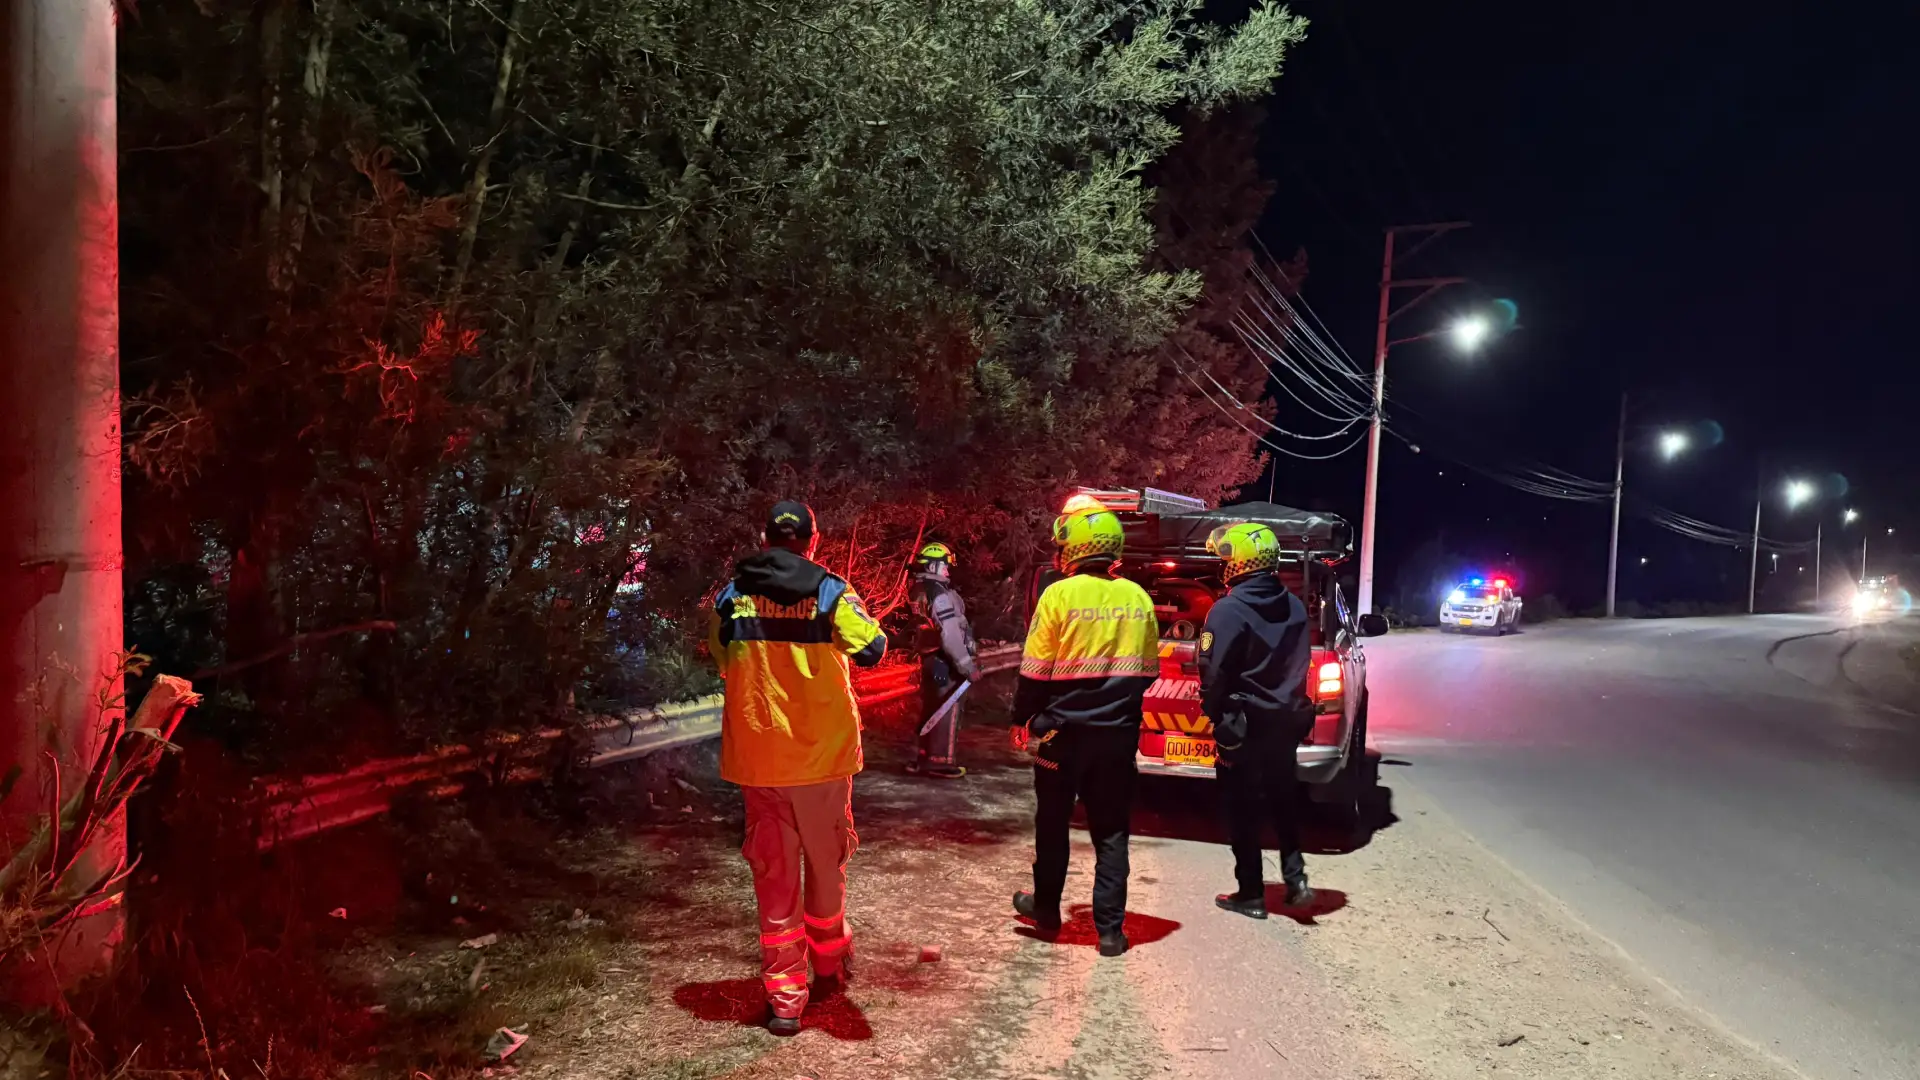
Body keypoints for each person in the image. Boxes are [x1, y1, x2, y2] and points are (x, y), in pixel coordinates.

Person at [707, 500, 887, 1035]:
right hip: (823, 760)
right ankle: (828, 966)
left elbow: (722, 659)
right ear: (812, 540)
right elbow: (874, 648)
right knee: (826, 866)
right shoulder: (831, 591)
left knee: (774, 875)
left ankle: (785, 998)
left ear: (764, 538)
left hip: (760, 762)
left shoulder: (731, 596)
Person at [1009, 496, 1159, 957]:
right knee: (1111, 831)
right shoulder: (1138, 596)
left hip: (1062, 735)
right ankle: (1110, 932)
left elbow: (1034, 671)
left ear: (1073, 549)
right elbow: (1149, 670)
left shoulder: (1059, 594)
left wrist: (1022, 720)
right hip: (1116, 737)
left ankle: (1048, 912)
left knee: (1052, 823)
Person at [1198, 521, 1318, 920]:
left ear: (1242, 563)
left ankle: (1250, 894)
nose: (1223, 564)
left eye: (1227, 557)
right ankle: (1295, 877)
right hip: (1285, 723)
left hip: (1244, 727)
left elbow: (1213, 672)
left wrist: (1216, 715)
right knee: (1284, 800)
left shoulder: (1228, 610)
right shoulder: (1295, 605)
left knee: (1242, 810)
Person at [906, 542, 981, 779]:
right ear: (934, 565)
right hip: (945, 660)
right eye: (946, 565)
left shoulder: (920, 588)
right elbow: (949, 633)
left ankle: (922, 758)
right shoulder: (938, 594)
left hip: (930, 659)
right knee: (947, 711)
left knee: (931, 709)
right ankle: (940, 762)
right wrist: (966, 666)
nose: (948, 570)